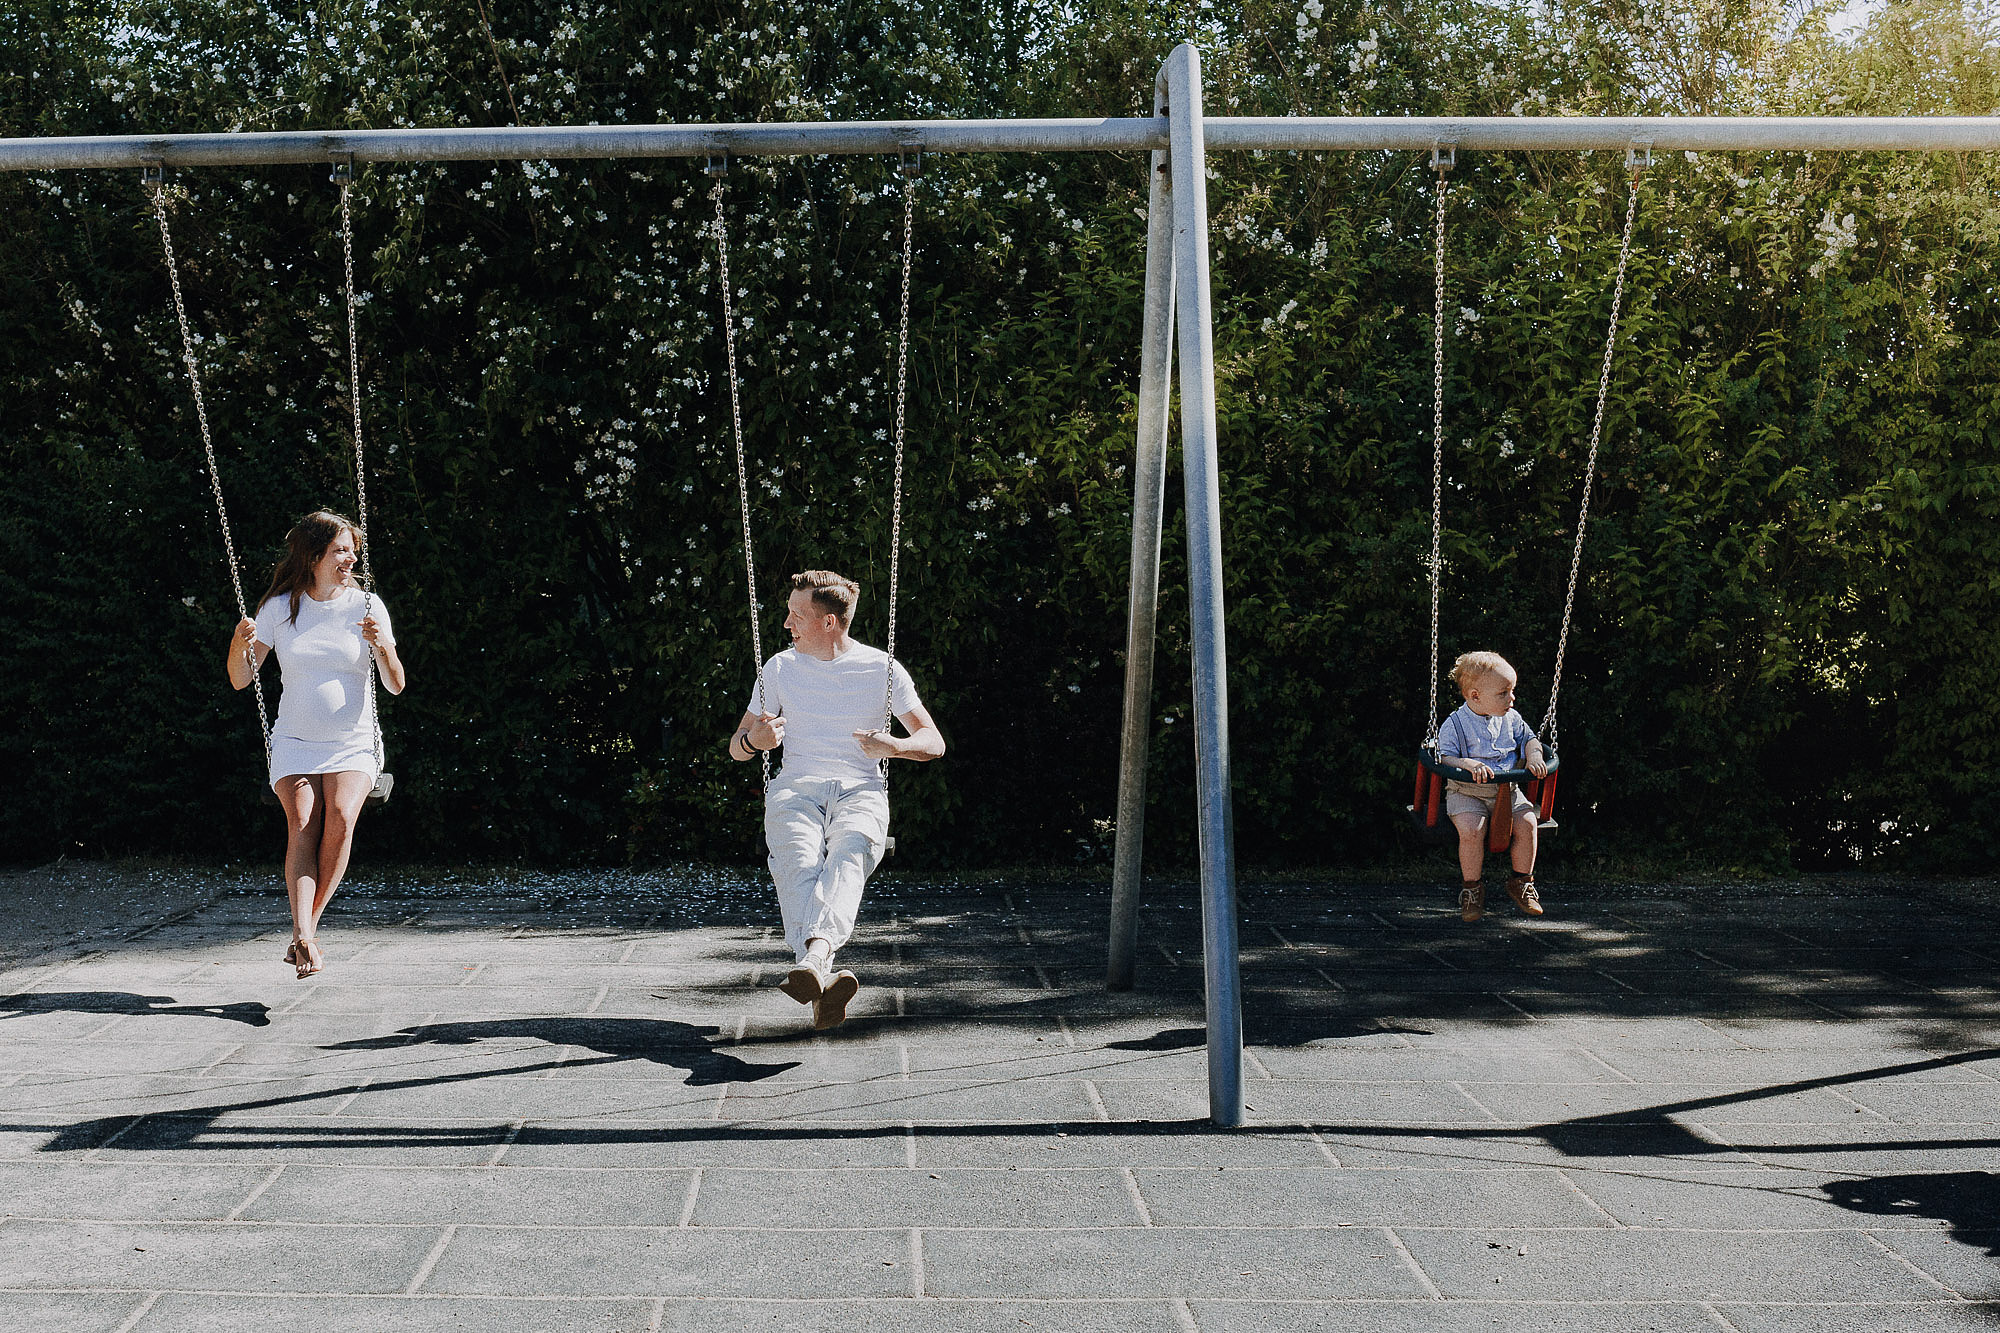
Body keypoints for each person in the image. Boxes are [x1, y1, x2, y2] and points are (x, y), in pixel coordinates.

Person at [727, 570, 944, 1029]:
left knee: (850, 851)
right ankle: (821, 971)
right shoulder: (780, 669)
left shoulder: (881, 669)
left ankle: (814, 961)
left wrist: (895, 747)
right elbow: (737, 745)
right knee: (797, 863)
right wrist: (756, 741)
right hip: (796, 785)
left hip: (861, 788)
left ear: (828, 622)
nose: (787, 623)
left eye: (797, 615)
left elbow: (933, 741)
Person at [225, 511, 406, 979]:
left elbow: (396, 685)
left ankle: (305, 932)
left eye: (352, 550)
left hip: (353, 741)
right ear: (314, 555)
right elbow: (242, 679)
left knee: (341, 815)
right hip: (294, 740)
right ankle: (304, 934)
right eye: (339, 550)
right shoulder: (280, 609)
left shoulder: (366, 605)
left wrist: (382, 646)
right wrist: (236, 645)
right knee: (303, 819)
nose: (349, 558)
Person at [1436, 650, 1547, 923]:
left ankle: (1521, 882)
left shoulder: (1511, 718)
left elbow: (1530, 739)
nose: (1512, 698)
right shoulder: (1455, 724)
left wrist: (1533, 755)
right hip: (1467, 792)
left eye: (1512, 691)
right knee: (1472, 830)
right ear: (1475, 696)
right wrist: (1470, 765)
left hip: (1507, 792)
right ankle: (1471, 890)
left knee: (1528, 823)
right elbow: (1444, 756)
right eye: (1504, 692)